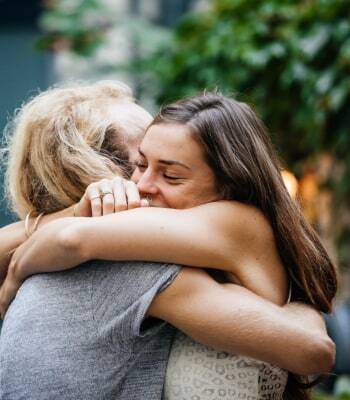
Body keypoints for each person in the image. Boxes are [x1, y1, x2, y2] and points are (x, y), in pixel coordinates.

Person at [0, 84, 335, 399]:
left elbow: (71, 237)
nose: (142, 185)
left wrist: (17, 272)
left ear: (230, 184)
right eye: (139, 164)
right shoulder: (159, 260)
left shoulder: (231, 222)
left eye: (171, 175)